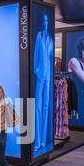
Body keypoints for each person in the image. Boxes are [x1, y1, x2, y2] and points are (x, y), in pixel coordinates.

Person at [33, 13, 54, 151]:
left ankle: (43, 141)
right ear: (42, 22)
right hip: (41, 74)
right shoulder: (39, 36)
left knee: (46, 106)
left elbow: (51, 58)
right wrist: (36, 69)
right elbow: (36, 54)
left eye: (47, 20)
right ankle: (37, 141)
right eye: (44, 20)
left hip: (49, 75)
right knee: (38, 106)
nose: (46, 23)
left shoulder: (51, 39)